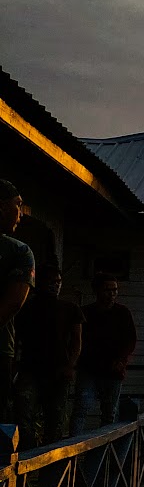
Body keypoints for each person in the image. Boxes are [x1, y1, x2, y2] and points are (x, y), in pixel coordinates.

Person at [14, 265, 82, 447]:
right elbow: (17, 338)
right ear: (40, 283)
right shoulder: (26, 308)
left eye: (58, 282)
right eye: (51, 282)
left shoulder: (70, 308)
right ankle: (28, 457)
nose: (55, 286)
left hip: (58, 371)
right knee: (24, 416)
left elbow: (77, 341)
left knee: (55, 420)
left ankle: (51, 466)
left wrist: (70, 365)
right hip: (31, 368)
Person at [74, 273, 137, 434]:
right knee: (81, 409)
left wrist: (121, 360)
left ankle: (105, 452)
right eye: (107, 290)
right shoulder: (86, 313)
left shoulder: (122, 313)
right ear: (97, 291)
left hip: (112, 369)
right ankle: (73, 450)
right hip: (89, 368)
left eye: (114, 290)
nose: (111, 294)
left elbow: (130, 340)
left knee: (110, 413)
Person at [0, 179, 35, 428]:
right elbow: (13, 304)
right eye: (18, 205)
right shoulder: (19, 252)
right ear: (2, 207)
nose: (21, 213)